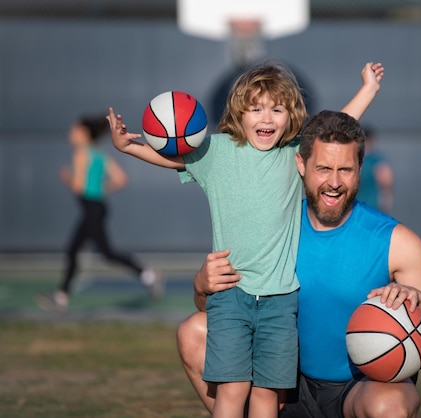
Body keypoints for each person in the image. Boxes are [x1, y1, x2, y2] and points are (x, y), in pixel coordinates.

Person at [108, 62, 384, 418]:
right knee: (233, 388)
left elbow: (338, 128)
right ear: (239, 113)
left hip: (281, 301)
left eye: (276, 109)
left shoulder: (293, 157)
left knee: (269, 396)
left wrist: (369, 88)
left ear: (291, 115)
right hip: (230, 296)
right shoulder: (215, 152)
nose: (265, 117)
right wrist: (127, 147)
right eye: (255, 109)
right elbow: (171, 156)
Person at [177, 110, 421, 418]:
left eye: (346, 170)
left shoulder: (394, 240)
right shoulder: (273, 228)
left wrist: (417, 297)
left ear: (360, 169)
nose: (334, 182)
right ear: (301, 165)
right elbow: (223, 311)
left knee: (389, 406)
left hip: (359, 388)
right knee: (194, 333)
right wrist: (201, 286)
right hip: (282, 381)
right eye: (323, 169)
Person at [37, 115, 162, 314]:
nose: (71, 134)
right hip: (97, 207)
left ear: (84, 134)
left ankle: (147, 275)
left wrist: (67, 177)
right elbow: (121, 179)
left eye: (74, 130)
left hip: (91, 208)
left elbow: (79, 187)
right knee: (80, 251)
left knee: (102, 253)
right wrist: (100, 189)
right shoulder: (99, 154)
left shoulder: (80, 154)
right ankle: (61, 297)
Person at [356, 125, 394, 213]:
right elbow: (387, 181)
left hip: (355, 207)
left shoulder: (352, 160)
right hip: (372, 207)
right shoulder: (375, 160)